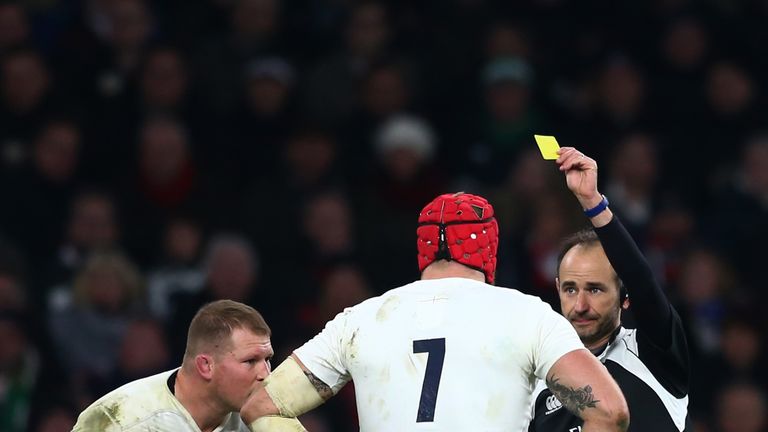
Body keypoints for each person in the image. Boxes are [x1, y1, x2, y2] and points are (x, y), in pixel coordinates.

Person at [240, 192, 629, 431]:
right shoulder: (527, 314)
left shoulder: (359, 320)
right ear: (488, 247)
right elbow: (609, 413)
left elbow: (261, 406)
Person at [528, 147, 691, 431]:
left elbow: (642, 280)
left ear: (625, 297)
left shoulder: (654, 355)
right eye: (570, 289)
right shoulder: (538, 380)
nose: (580, 305)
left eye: (594, 289)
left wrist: (592, 202)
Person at [72, 300, 304, 431]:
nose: (265, 374)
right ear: (206, 366)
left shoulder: (258, 418)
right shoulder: (125, 420)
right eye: (250, 361)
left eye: (268, 359)